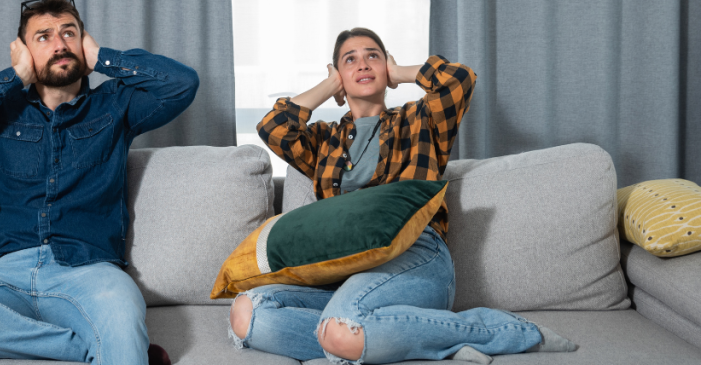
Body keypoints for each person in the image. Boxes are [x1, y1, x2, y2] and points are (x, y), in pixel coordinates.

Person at [230, 27, 577, 365]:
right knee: (247, 313)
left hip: (417, 256)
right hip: (344, 272)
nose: (363, 64)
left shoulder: (419, 120)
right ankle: (424, 339)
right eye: (350, 60)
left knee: (341, 329)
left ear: (386, 67)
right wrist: (330, 85)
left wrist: (399, 72)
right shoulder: (324, 141)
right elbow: (273, 126)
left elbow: (460, 80)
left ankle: (502, 330)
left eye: (373, 57)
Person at [0, 0, 198, 365]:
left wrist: (102, 58)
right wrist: (14, 77)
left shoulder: (115, 105)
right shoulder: (3, 111)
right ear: (23, 50)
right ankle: (82, 351)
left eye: (69, 32)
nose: (59, 44)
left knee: (122, 317)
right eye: (43, 37)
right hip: (8, 274)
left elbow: (183, 84)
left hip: (91, 274)